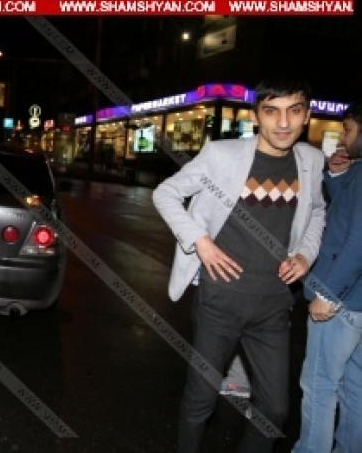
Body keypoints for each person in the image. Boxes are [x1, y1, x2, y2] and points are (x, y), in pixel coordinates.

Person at [152, 77, 326, 453]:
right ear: (256, 116)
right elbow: (166, 192)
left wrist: (305, 255)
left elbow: (316, 210)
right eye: (272, 111)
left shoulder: (312, 161)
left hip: (274, 303)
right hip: (220, 300)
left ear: (306, 116)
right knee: (201, 400)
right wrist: (201, 242)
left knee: (275, 411)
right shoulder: (222, 155)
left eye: (294, 111)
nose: (283, 123)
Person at [292, 101, 362, 453]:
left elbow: (357, 240)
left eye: (348, 129)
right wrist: (335, 175)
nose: (343, 138)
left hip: (342, 300)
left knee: (319, 385)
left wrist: (329, 293)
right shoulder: (357, 172)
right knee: (355, 387)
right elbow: (345, 208)